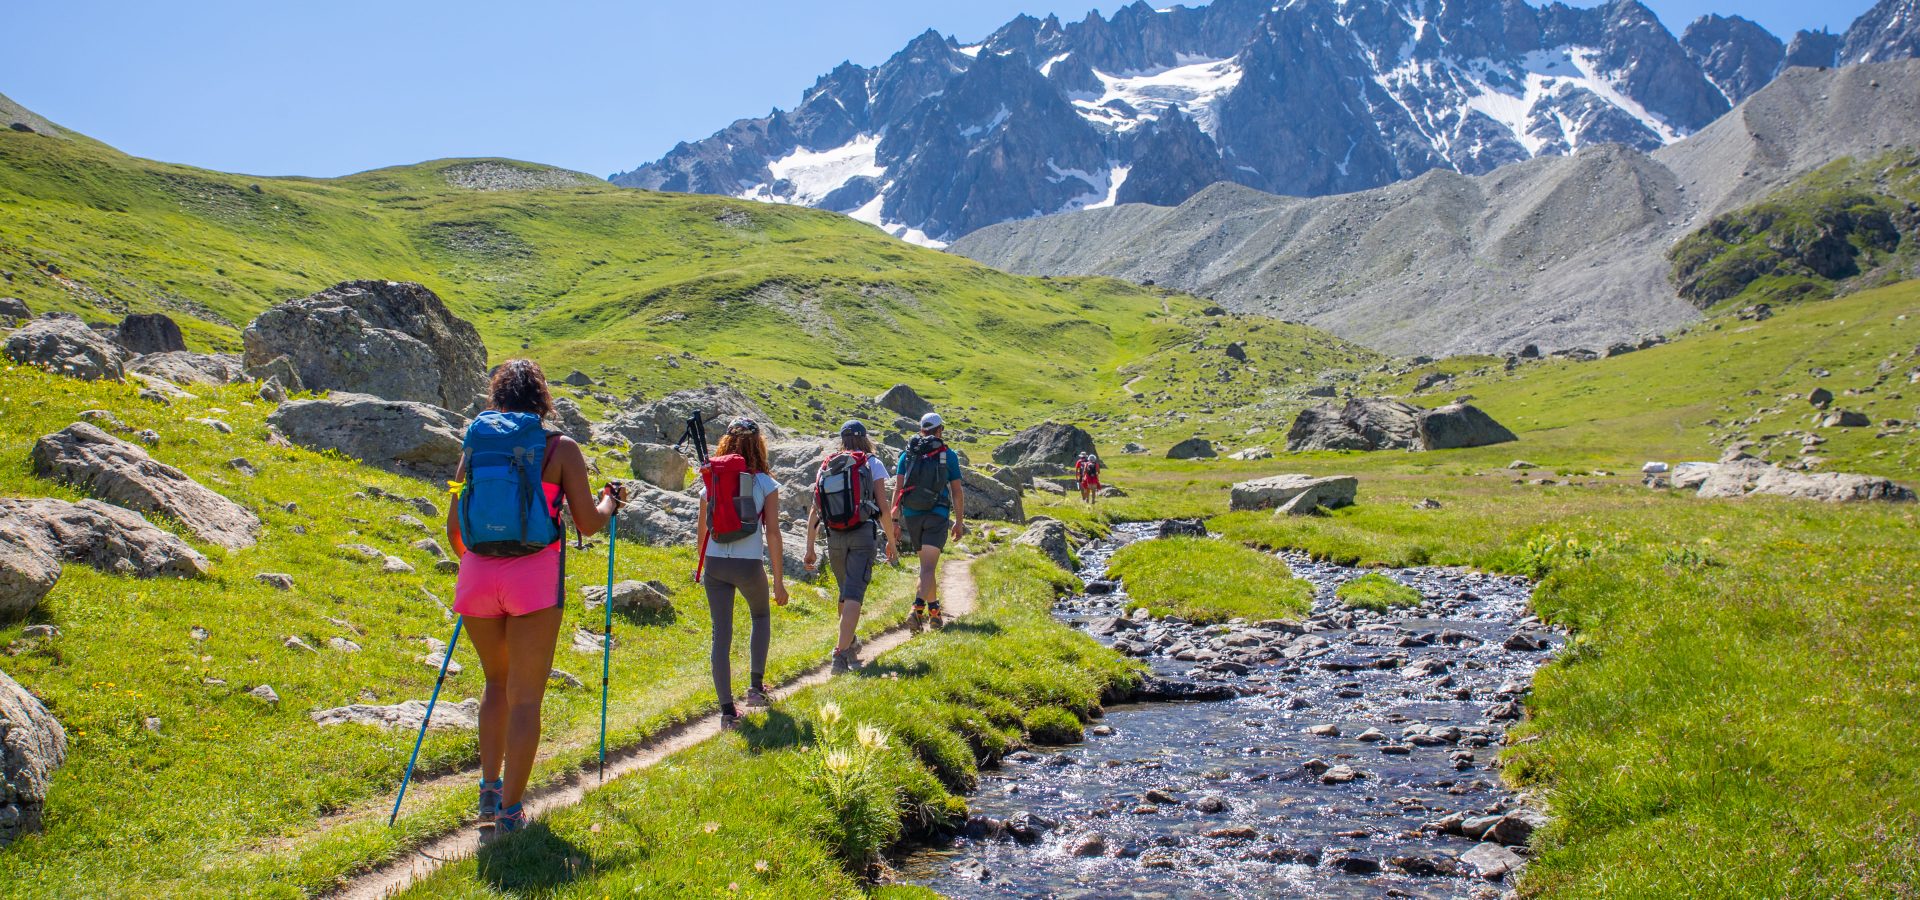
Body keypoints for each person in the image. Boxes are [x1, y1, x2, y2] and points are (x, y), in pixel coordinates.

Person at [447, 359, 626, 835]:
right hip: (534, 582)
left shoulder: (475, 444)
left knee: (494, 685)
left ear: (497, 396)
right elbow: (587, 522)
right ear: (541, 398)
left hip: (478, 578)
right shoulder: (559, 448)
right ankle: (510, 811)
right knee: (526, 700)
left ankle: (488, 792)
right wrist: (612, 501)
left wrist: (481, 563)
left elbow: (454, 529)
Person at [694, 417, 789, 729]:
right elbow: (772, 533)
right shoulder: (765, 483)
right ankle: (755, 689)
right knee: (760, 616)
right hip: (749, 565)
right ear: (759, 445)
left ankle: (726, 713)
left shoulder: (712, 481)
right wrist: (778, 582)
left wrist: (708, 564)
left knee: (721, 633)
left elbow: (701, 533)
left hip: (715, 563)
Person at [803, 420, 898, 673]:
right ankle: (840, 654)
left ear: (841, 439)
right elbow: (883, 507)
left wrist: (810, 547)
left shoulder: (828, 464)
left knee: (845, 593)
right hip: (861, 534)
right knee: (854, 593)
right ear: (865, 439)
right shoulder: (871, 463)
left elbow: (815, 509)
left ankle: (850, 642)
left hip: (834, 535)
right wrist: (891, 540)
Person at [894, 412, 965, 631]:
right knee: (927, 567)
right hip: (937, 515)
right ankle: (916, 610)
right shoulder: (948, 455)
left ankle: (934, 614)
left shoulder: (908, 455)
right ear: (940, 430)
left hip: (912, 515)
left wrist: (894, 520)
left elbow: (898, 489)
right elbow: (956, 491)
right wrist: (959, 521)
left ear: (921, 429)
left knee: (926, 567)